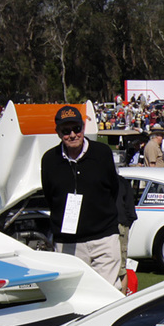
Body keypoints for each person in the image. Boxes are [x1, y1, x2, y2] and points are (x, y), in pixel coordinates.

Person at [40, 104, 123, 288]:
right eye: (66, 130)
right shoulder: (49, 159)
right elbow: (50, 195)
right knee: (74, 294)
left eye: (76, 129)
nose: (72, 134)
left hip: (103, 238)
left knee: (107, 295)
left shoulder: (102, 153)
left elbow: (113, 188)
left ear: (83, 127)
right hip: (68, 241)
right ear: (58, 132)